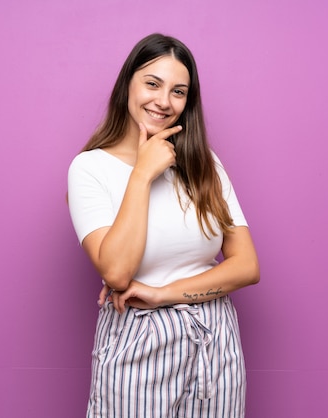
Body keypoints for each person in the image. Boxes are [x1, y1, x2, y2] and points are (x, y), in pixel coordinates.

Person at [67, 33, 259, 418]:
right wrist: (142, 173)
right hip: (139, 339)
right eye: (152, 83)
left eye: (178, 91)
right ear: (127, 85)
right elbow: (117, 273)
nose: (163, 101)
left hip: (215, 338)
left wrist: (163, 293)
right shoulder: (90, 169)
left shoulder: (205, 163)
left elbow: (246, 266)